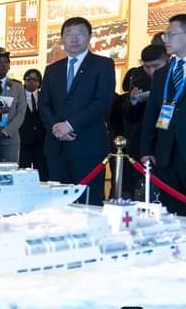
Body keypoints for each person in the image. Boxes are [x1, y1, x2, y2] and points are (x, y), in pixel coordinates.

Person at [40, 17, 115, 205]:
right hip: (57, 146)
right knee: (59, 203)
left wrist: (70, 125)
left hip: (88, 145)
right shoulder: (52, 69)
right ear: (62, 39)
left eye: (80, 34)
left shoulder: (103, 65)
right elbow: (44, 104)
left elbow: (102, 102)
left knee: (88, 202)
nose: (74, 39)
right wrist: (57, 128)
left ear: (89, 37)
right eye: (68, 34)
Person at [141, 14, 186, 216]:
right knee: (171, 211)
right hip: (165, 154)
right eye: (164, 35)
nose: (165, 39)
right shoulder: (162, 73)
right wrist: (147, 148)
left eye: (171, 34)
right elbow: (152, 114)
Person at [120, 45, 169, 198]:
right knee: (139, 191)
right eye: (147, 67)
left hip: (167, 143)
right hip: (140, 142)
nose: (152, 71)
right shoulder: (139, 79)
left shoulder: (175, 77)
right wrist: (133, 100)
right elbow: (127, 114)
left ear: (167, 60)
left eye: (156, 66)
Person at [0, 47, 26, 163]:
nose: (3, 65)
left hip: (10, 139)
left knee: (10, 170)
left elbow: (21, 113)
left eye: (6, 62)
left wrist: (5, 132)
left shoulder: (17, 86)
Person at [18, 68, 48, 180]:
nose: (32, 82)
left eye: (35, 80)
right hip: (23, 138)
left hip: (41, 139)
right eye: (29, 79)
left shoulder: (44, 96)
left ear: (39, 82)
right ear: (24, 81)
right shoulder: (19, 95)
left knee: (42, 171)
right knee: (23, 171)